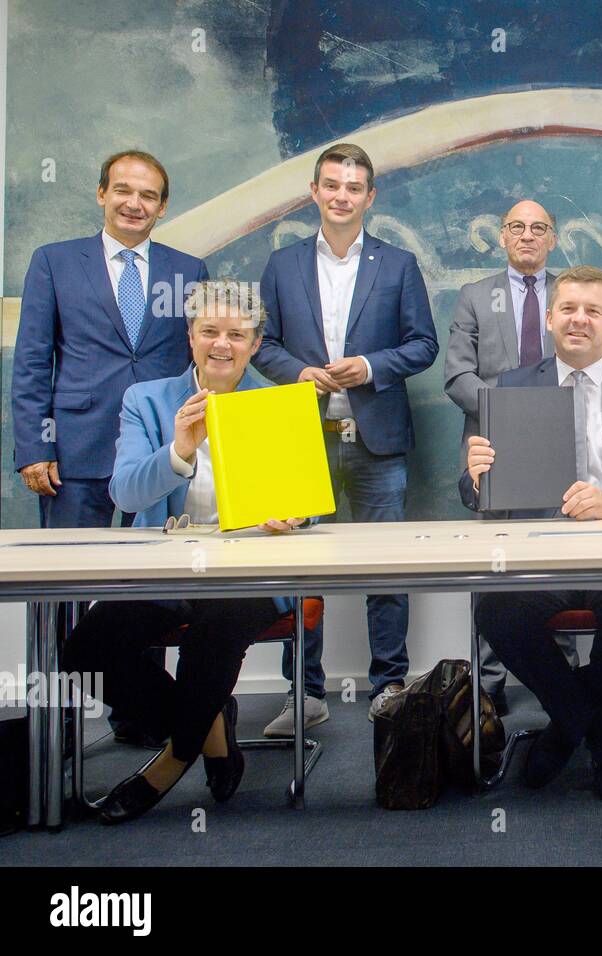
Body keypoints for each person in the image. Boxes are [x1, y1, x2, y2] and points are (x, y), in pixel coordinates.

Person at [62, 280, 307, 824]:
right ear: (190, 337)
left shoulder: (276, 402)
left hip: (250, 574)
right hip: (166, 571)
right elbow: (124, 494)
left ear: (255, 342)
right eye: (210, 332)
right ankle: (209, 729)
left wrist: (292, 514)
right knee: (82, 654)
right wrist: (178, 450)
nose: (223, 344)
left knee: (217, 629)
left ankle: (168, 765)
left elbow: (305, 504)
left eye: (237, 335)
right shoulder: (145, 400)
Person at [462, 266, 602, 801]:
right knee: (498, 612)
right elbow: (474, 496)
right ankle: (594, 728)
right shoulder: (509, 387)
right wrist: (474, 481)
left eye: (591, 311)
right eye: (567, 309)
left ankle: (563, 730)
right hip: (541, 556)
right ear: (549, 320)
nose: (578, 320)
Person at [11, 149, 208, 747]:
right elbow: (31, 361)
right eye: (123, 191)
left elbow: (197, 362)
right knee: (67, 598)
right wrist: (31, 446)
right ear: (101, 194)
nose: (134, 204)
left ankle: (143, 716)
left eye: (148, 196)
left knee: (152, 595)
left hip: (158, 455)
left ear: (163, 206)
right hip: (76, 454)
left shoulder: (188, 269)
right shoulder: (54, 263)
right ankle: (60, 731)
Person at [253, 142, 439, 733]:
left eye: (354, 187)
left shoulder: (399, 263)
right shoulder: (281, 265)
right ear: (314, 192)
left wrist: (372, 367)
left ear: (370, 197)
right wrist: (298, 373)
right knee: (299, 570)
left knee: (385, 568)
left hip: (377, 436)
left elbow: (423, 345)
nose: (342, 196)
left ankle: (390, 684)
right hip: (302, 434)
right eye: (332, 185)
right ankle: (304, 692)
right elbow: (263, 344)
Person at [444, 198, 578, 713]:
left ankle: (558, 678)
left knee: (559, 561)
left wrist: (542, 424)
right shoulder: (475, 296)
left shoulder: (571, 295)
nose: (527, 235)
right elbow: (457, 376)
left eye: (539, 228)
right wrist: (511, 418)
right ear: (502, 237)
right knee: (493, 568)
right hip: (492, 450)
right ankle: (488, 683)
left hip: (562, 445)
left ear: (553, 238)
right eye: (517, 227)